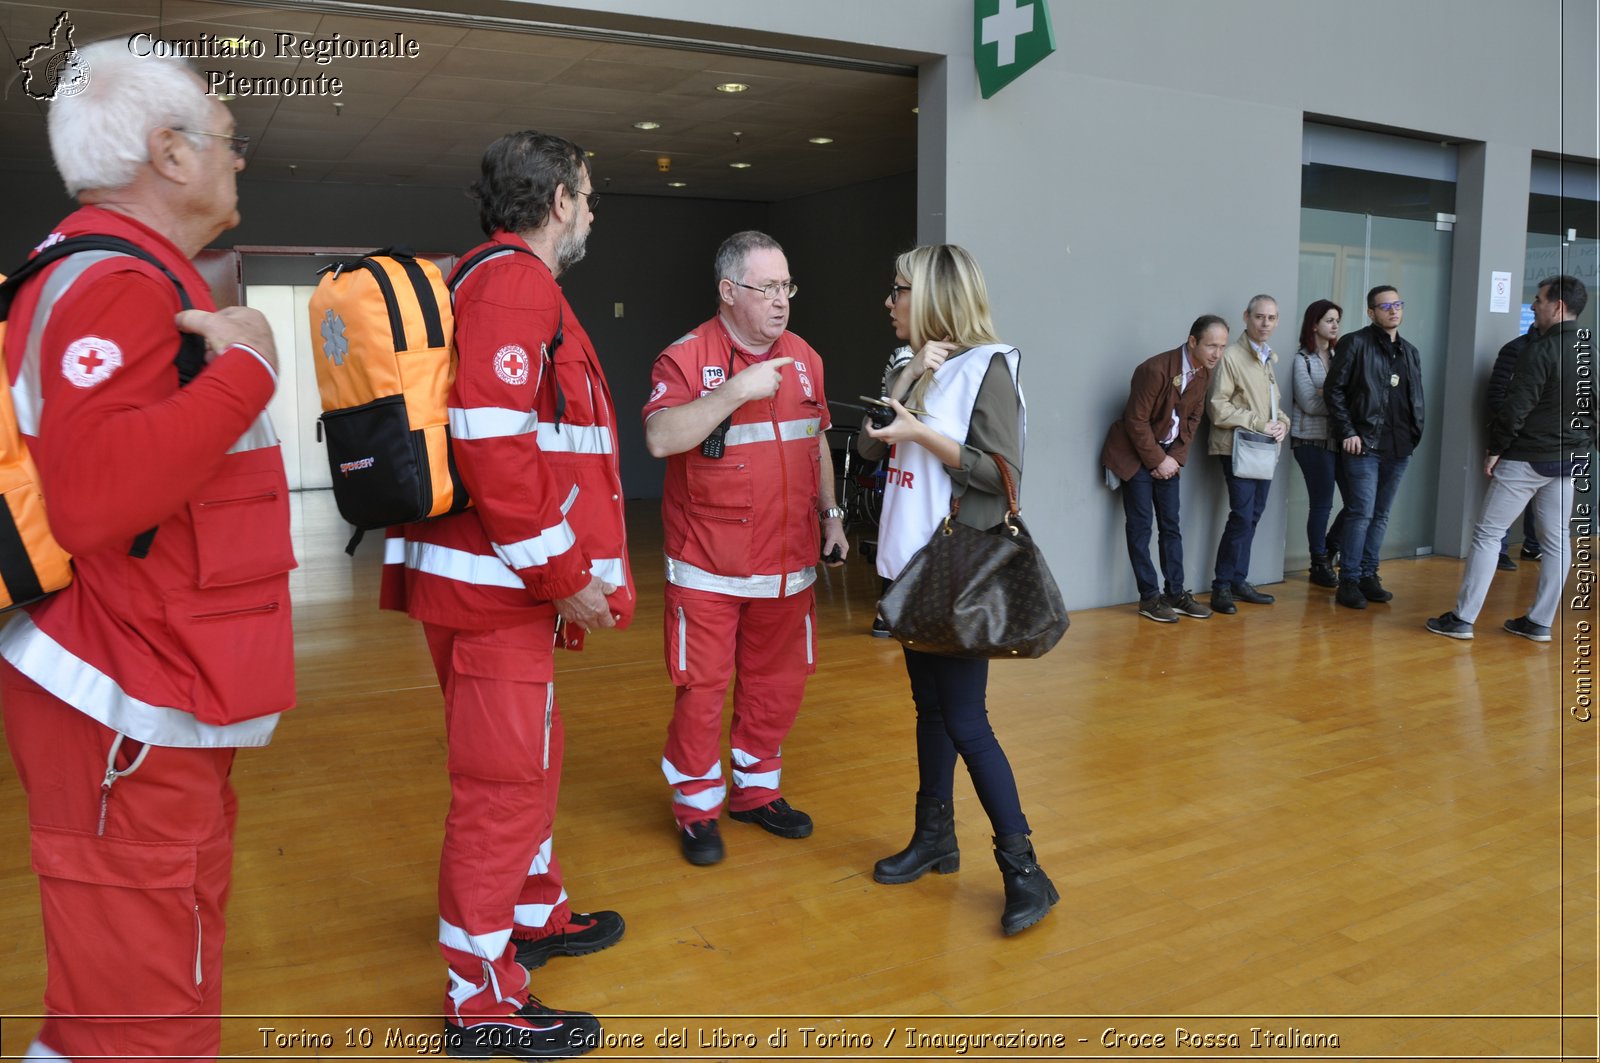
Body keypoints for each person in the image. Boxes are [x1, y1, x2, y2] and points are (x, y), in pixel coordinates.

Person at [0, 43, 294, 1060]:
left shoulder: (122, 275)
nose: (238, 160)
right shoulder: (112, 284)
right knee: (138, 1021)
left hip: (150, 693)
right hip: (118, 699)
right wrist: (247, 369)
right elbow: (94, 500)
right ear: (169, 154)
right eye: (226, 139)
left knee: (133, 993)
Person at [380, 130, 632, 1058]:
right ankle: (480, 995)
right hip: (501, 590)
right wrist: (567, 579)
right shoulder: (517, 283)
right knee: (501, 787)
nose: (593, 211)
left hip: (485, 585)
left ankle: (532, 909)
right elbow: (495, 440)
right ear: (559, 199)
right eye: (591, 195)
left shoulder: (480, 279)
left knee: (530, 762)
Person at [859, 243, 1058, 936]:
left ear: (938, 295)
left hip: (956, 565)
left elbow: (1002, 473)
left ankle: (1025, 868)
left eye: (900, 289)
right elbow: (865, 448)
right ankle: (935, 837)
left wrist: (923, 433)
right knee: (929, 709)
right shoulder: (913, 365)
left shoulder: (990, 367)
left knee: (967, 719)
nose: (890, 301)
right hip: (910, 565)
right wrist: (910, 380)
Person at [643, 230, 848, 866]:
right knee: (702, 693)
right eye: (768, 288)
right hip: (709, 567)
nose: (782, 301)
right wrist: (733, 391)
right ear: (730, 293)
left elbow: (816, 442)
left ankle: (756, 794)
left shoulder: (806, 357)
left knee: (777, 687)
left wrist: (832, 515)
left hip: (789, 569)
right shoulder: (683, 356)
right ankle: (697, 809)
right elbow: (659, 438)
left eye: (787, 286)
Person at [1426, 276, 1590, 643]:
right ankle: (1539, 623)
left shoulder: (1539, 350)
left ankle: (1462, 619)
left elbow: (1517, 407)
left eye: (1539, 300)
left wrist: (1495, 449)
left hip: (1526, 459)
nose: (1534, 306)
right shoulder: (1589, 350)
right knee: (1557, 541)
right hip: (1569, 462)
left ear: (1558, 307)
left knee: (1487, 535)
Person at [1100, 315, 1228, 622]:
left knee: (1171, 526)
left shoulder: (1203, 372)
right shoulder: (1154, 369)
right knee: (1141, 527)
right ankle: (1149, 598)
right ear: (1193, 341)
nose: (1217, 354)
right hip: (1136, 455)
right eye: (1212, 345)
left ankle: (1175, 592)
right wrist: (1159, 460)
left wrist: (1176, 459)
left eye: (1222, 347)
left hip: (1169, 457)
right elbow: (1136, 421)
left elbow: (1194, 419)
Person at [1325, 285, 1425, 610]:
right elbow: (1334, 390)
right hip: (1363, 444)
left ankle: (1369, 575)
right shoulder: (1355, 343)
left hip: (1399, 447)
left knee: (1381, 514)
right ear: (1371, 312)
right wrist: (1347, 431)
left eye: (1398, 304)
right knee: (1361, 512)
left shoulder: (1410, 351)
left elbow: (1415, 397)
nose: (1393, 310)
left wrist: (1415, 433)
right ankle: (1349, 580)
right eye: (1385, 306)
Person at [1206, 294, 1290, 614]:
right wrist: (1259, 423)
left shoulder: (1267, 357)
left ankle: (1238, 580)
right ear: (1246, 317)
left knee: (1252, 515)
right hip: (1237, 447)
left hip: (1262, 449)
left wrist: (1283, 424)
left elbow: (1273, 406)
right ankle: (1222, 586)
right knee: (1242, 515)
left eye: (1271, 318)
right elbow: (1217, 407)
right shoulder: (1231, 356)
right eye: (1259, 317)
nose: (1265, 323)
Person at [1291, 299, 1345, 587]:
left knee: (1358, 502)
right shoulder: (1302, 359)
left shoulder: (1340, 356)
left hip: (1340, 440)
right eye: (1329, 320)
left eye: (1337, 320)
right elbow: (1309, 402)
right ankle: (1318, 563)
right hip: (1310, 441)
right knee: (1321, 504)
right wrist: (1339, 399)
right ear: (1314, 324)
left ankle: (1330, 547)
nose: (1335, 325)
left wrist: (1333, 395)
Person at [1487, 322, 1543, 570]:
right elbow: (1498, 395)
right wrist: (1504, 436)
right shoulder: (1516, 349)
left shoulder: (1571, 350)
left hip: (1549, 440)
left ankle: (1533, 545)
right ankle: (1500, 550)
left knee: (1543, 498)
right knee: (1507, 498)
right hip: (1517, 438)